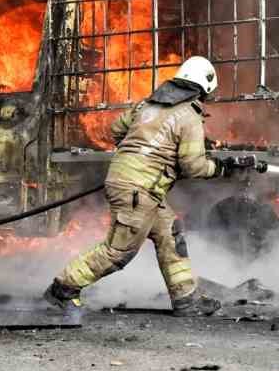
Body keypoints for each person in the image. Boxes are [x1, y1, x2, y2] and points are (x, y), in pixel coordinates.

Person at [44, 55, 263, 317]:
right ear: (203, 88)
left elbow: (115, 130)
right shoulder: (190, 115)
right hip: (138, 190)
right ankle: (63, 289)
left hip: (138, 187)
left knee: (170, 233)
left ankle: (186, 300)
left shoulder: (147, 105)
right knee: (119, 251)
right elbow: (194, 166)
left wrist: (141, 152)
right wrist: (223, 168)